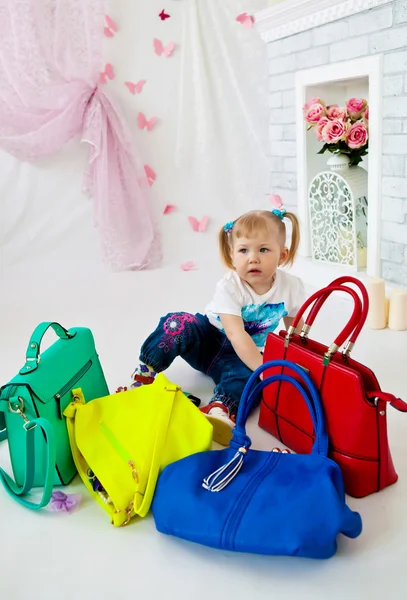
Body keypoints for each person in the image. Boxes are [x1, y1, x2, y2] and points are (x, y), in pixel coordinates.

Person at [122, 206, 305, 446]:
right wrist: (265, 368)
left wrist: (292, 367)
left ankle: (220, 409)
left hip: (240, 357)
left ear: (282, 255)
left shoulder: (292, 287)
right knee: (179, 322)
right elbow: (234, 332)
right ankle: (145, 373)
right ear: (232, 256)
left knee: (250, 378)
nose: (253, 258)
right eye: (243, 250)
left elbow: (296, 335)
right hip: (208, 341)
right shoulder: (229, 286)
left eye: (263, 249)